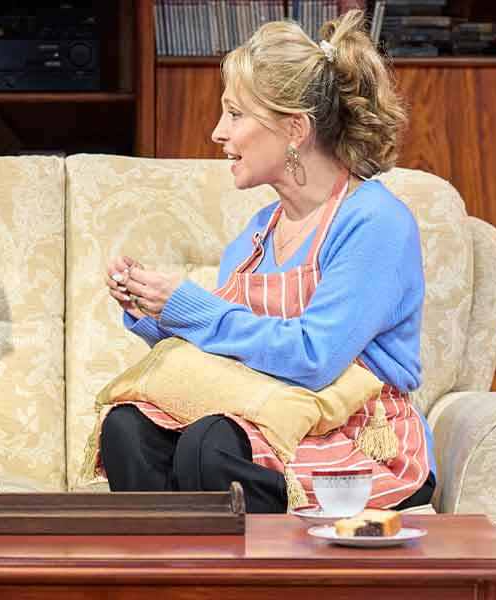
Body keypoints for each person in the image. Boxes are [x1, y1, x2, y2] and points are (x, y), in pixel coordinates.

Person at [98, 11, 436, 514]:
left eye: (234, 115)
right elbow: (234, 351)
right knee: (129, 428)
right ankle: (173, 580)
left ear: (295, 128)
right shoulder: (260, 231)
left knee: (211, 443)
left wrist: (190, 305)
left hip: (355, 435)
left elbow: (314, 358)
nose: (216, 132)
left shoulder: (374, 222)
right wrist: (157, 314)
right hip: (270, 413)